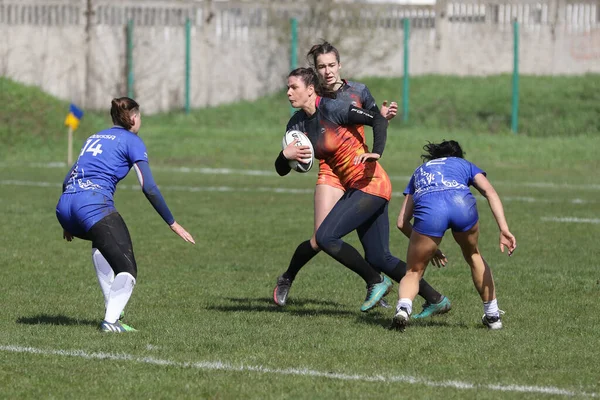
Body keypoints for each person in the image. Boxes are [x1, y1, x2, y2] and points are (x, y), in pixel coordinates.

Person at [274, 42, 451, 319]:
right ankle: (435, 298)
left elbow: (377, 121)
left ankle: (375, 281)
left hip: (370, 182)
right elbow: (282, 169)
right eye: (287, 87)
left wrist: (376, 151)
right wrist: (285, 156)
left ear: (310, 89)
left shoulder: (334, 108)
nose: (287, 93)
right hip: (355, 185)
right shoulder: (296, 124)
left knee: (325, 236)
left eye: (292, 87)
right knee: (380, 257)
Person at [56, 97, 195, 333]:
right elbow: (148, 186)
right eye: (139, 116)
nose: (140, 121)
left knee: (103, 245)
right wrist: (172, 223)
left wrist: (68, 222)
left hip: (65, 206)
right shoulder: (132, 141)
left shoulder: (94, 137)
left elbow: (69, 177)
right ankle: (110, 322)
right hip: (91, 206)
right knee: (128, 269)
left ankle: (114, 312)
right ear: (132, 118)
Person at [392, 140, 517, 331]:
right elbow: (489, 192)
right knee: (473, 255)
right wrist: (504, 229)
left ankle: (403, 309)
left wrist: (429, 247)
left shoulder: (420, 170)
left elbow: (402, 222)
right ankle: (492, 316)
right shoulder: (463, 164)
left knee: (414, 271)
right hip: (461, 205)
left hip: (430, 211)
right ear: (457, 155)